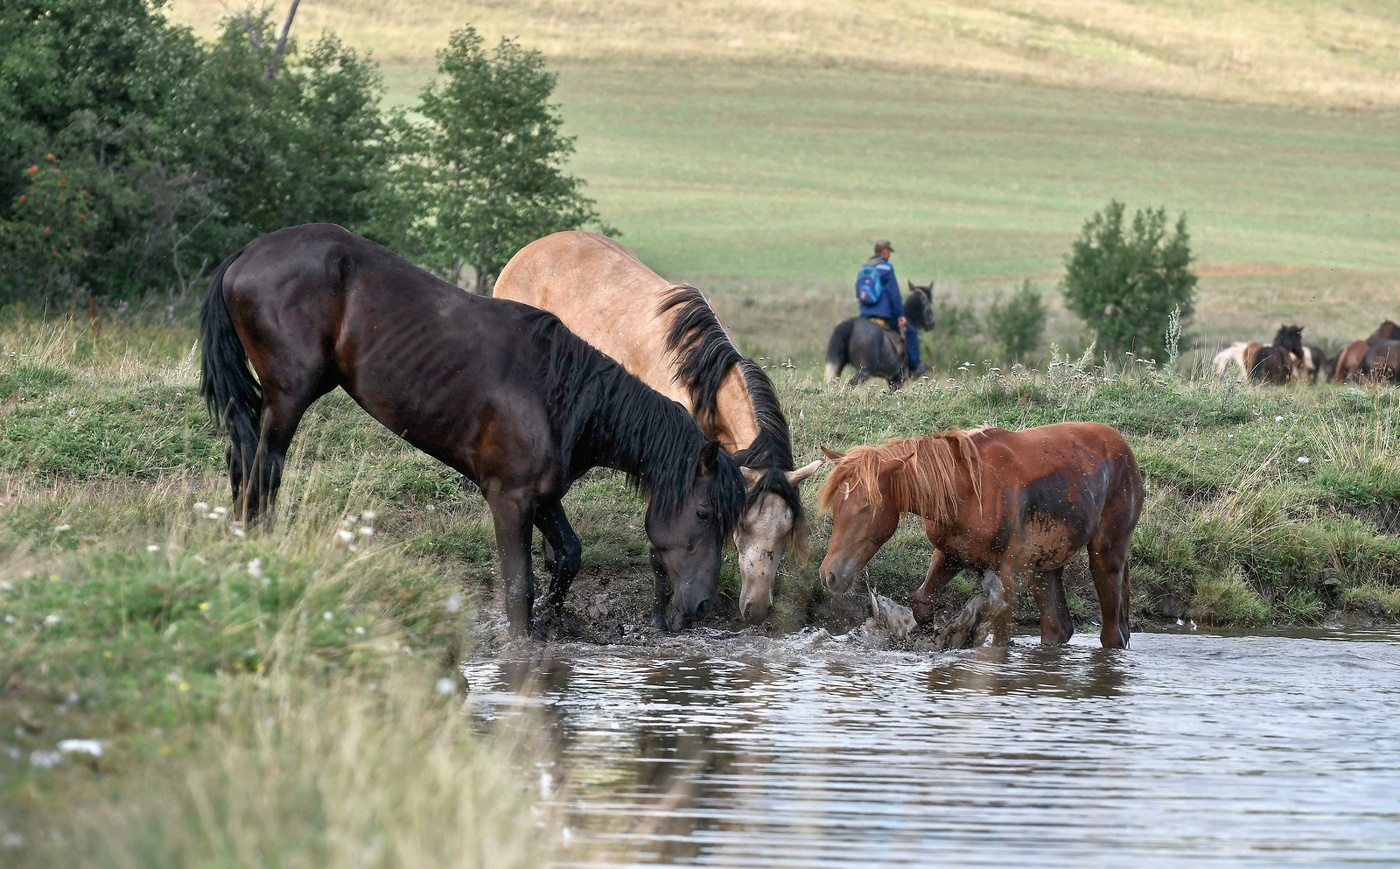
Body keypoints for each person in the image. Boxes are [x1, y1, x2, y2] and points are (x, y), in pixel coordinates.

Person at [856, 240, 926, 377]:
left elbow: (859, 292)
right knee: (910, 332)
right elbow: (894, 294)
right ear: (884, 251)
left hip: (865, 315)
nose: (889, 255)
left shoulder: (864, 268)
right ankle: (915, 366)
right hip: (884, 315)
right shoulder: (887, 268)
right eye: (889, 252)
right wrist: (900, 315)